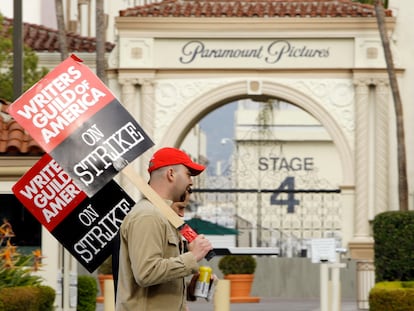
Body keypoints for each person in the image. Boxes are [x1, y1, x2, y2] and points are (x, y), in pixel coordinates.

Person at [116, 147, 213, 311]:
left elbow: (156, 285)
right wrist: (192, 257)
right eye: (188, 174)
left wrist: (188, 289)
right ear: (171, 174)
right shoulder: (149, 216)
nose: (191, 182)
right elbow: (146, 273)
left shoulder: (162, 216)